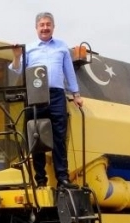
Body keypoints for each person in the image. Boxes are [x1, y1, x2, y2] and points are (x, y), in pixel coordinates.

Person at [10, 12, 83, 189]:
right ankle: (40, 180)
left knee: (59, 136)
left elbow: (69, 71)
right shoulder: (29, 48)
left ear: (53, 27)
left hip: (57, 94)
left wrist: (76, 93)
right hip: (35, 95)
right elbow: (16, 70)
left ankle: (62, 179)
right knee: (36, 136)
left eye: (48, 24)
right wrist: (17, 56)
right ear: (36, 28)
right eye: (41, 25)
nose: (45, 28)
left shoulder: (61, 47)